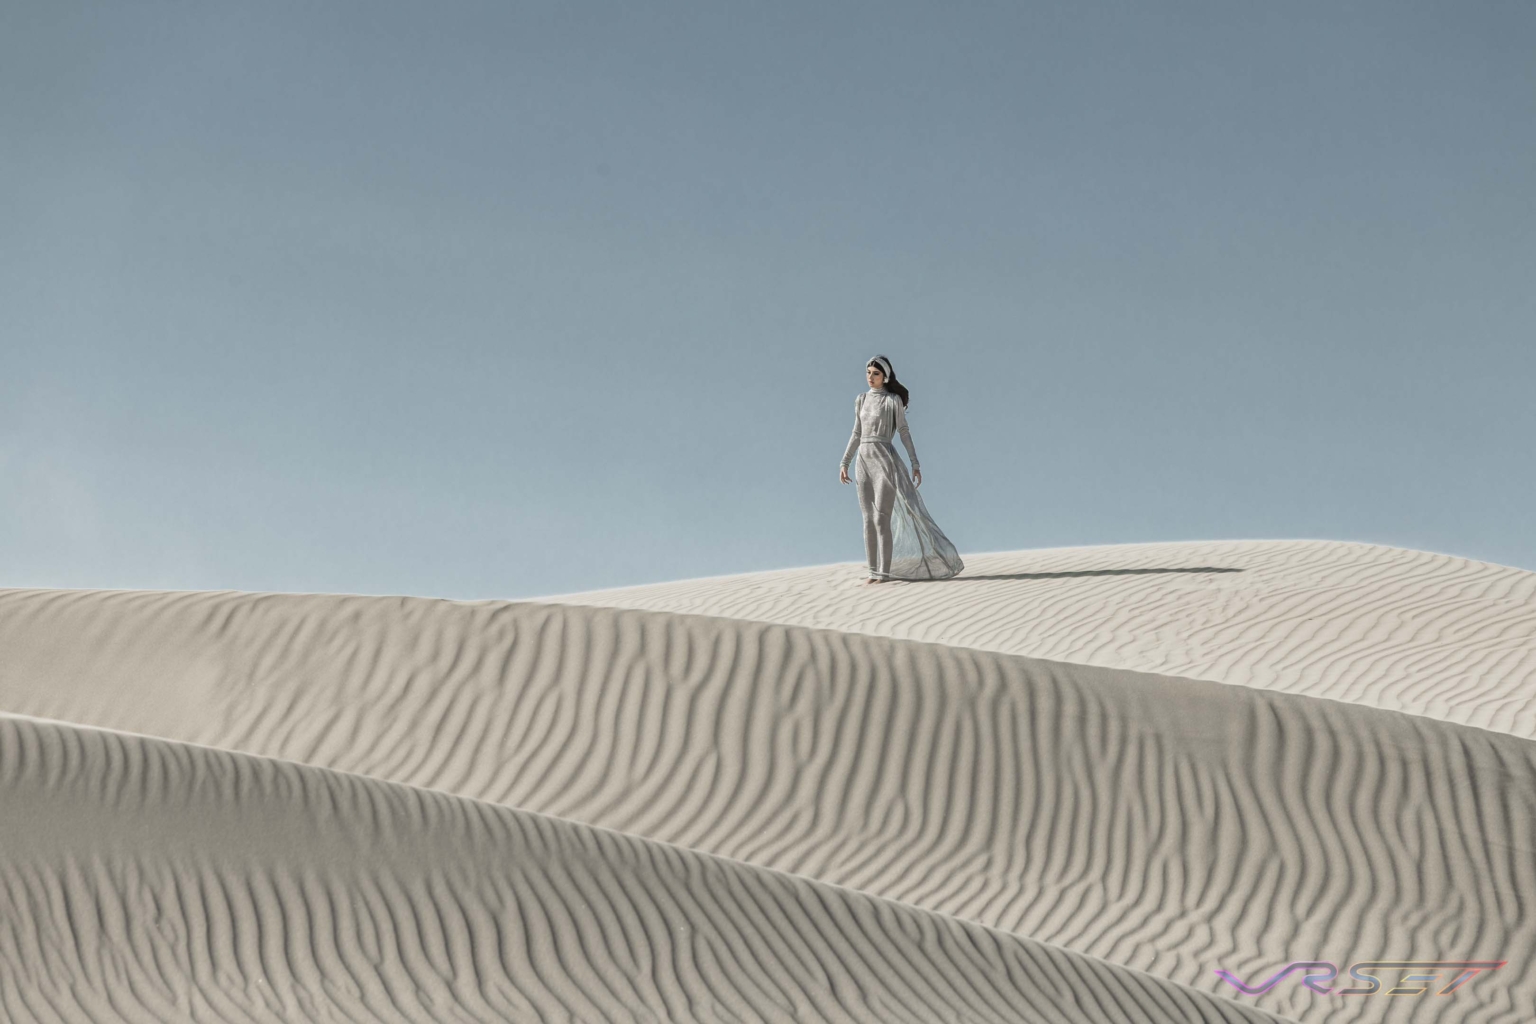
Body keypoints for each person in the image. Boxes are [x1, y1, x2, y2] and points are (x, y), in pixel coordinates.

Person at [838, 355, 964, 583]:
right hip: (863, 461)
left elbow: (904, 432)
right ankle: (872, 572)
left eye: (875, 373)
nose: (870, 377)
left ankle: (883, 573)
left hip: (884, 460)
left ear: (885, 376)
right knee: (867, 519)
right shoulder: (861, 400)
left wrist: (915, 463)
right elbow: (856, 432)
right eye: (868, 373)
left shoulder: (892, 400)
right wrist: (844, 462)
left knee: (881, 519)